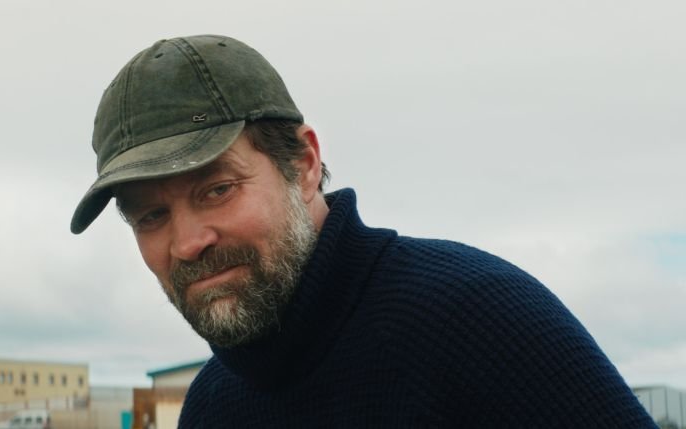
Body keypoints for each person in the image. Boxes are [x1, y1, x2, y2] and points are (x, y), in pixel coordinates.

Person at [70, 35, 655, 427]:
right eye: (151, 216)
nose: (188, 242)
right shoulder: (211, 407)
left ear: (303, 166)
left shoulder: (477, 318)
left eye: (217, 189)